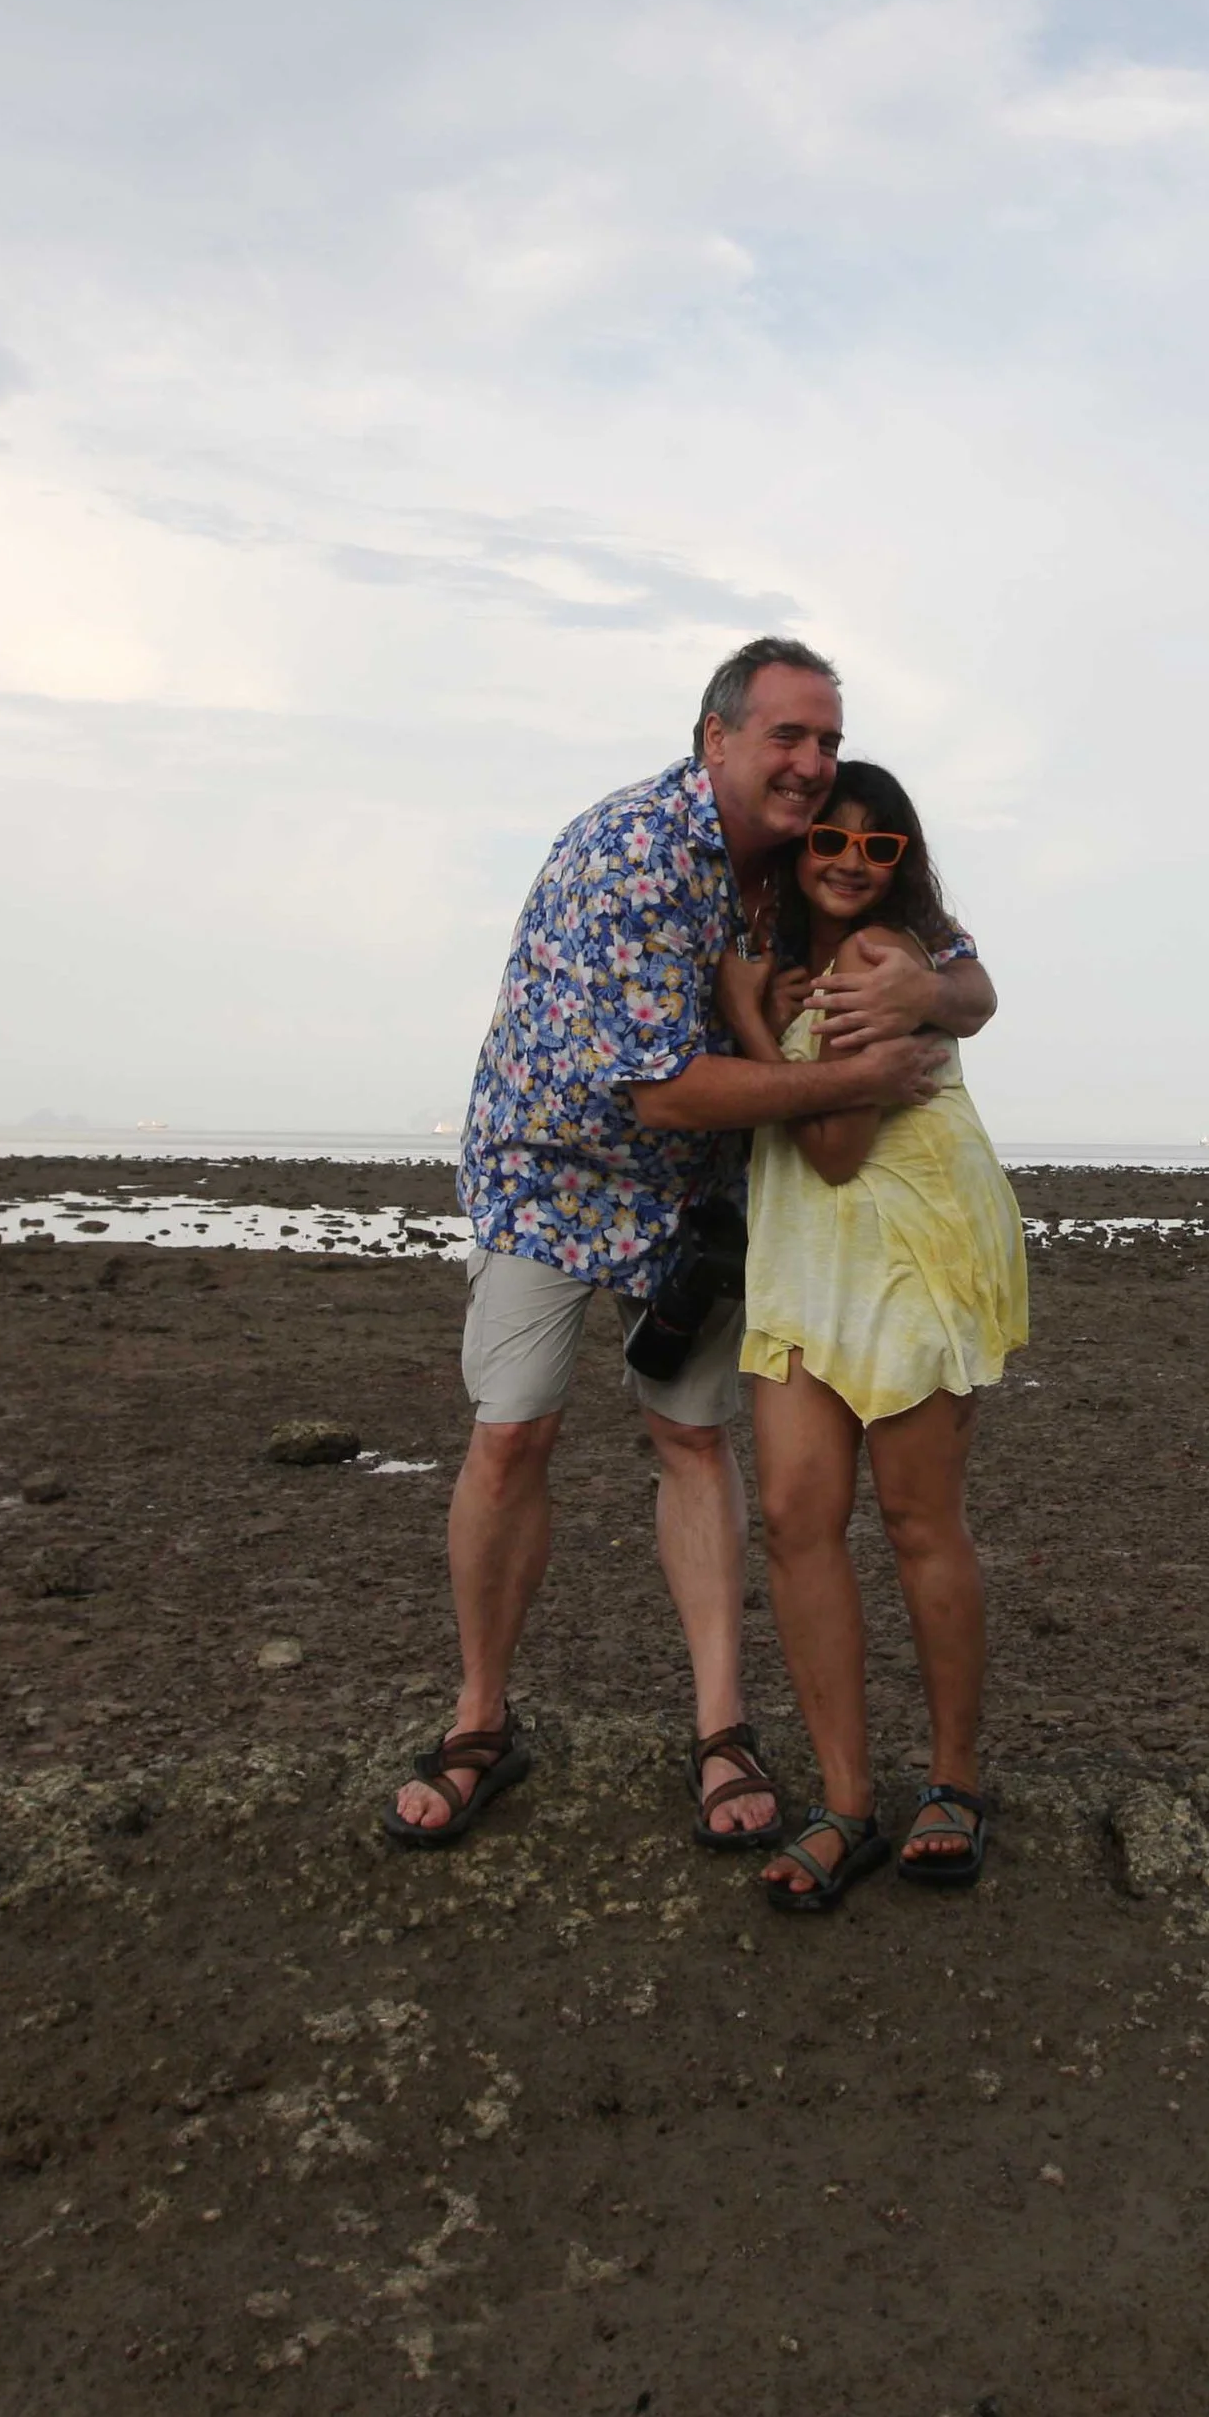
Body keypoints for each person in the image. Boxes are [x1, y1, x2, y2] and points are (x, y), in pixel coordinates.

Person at [383, 640, 994, 1850]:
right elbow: (657, 1091)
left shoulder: (810, 853)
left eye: (826, 739)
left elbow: (954, 958)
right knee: (511, 1435)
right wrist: (854, 1071)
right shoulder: (633, 853)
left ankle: (722, 1728)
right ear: (713, 738)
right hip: (550, 1172)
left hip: (699, 1192)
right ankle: (477, 1721)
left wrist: (931, 998)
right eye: (787, 737)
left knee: (690, 1437)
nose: (813, 765)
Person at [713, 760, 1027, 1912]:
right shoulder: (800, 948)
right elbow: (975, 989)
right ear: (796, 851)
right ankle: (845, 1801)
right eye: (827, 842)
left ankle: (953, 1781)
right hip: (806, 1251)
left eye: (876, 846)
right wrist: (774, 1006)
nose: (848, 861)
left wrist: (752, 1019)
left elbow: (838, 1145)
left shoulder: (879, 958)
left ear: (905, 861)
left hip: (908, 1243)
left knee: (914, 1517)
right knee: (799, 1517)